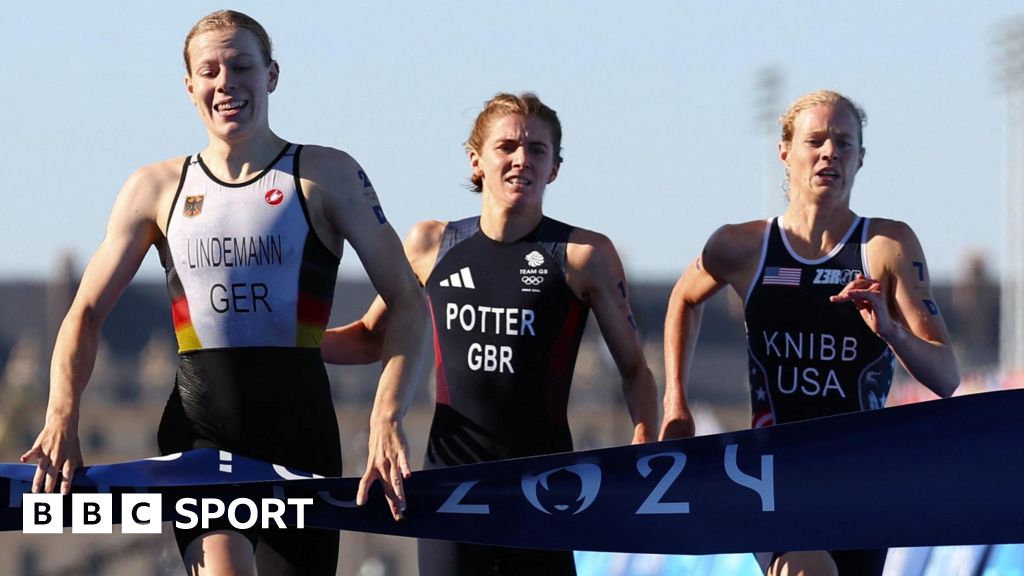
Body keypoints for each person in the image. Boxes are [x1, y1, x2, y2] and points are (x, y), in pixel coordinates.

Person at [20, 10, 428, 576]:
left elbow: (407, 302)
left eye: (241, 66)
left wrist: (388, 416)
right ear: (189, 87)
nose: (225, 82)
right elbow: (85, 312)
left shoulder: (326, 175)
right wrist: (60, 414)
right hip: (199, 431)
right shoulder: (155, 188)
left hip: (301, 437)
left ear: (272, 75)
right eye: (209, 70)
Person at [324, 92, 661, 575]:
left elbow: (634, 371)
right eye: (507, 146)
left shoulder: (583, 255)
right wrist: (278, 342)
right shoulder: (430, 245)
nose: (521, 158)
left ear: (555, 169)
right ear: (476, 160)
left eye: (537, 150)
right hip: (449, 487)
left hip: (543, 488)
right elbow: (367, 339)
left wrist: (646, 437)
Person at [660, 89, 959, 576]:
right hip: (774, 472)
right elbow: (683, 298)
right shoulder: (743, 245)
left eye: (843, 143)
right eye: (815, 140)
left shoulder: (885, 246)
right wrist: (676, 401)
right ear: (785, 151)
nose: (829, 153)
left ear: (861, 158)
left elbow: (947, 376)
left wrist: (891, 332)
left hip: (859, 478)